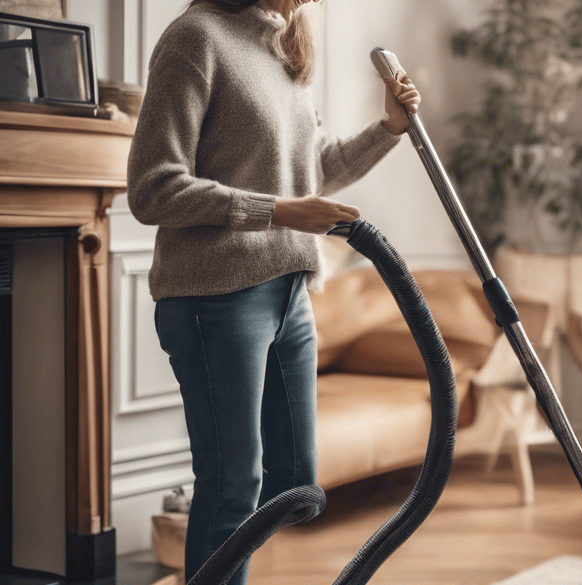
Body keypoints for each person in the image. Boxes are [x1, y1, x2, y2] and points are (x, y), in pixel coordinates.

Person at [125, 1, 420, 584]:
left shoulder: (283, 46)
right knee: (233, 485)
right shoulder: (196, 39)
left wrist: (389, 128)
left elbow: (311, 169)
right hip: (217, 297)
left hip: (290, 295)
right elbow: (152, 188)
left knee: (294, 484)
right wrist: (279, 211)